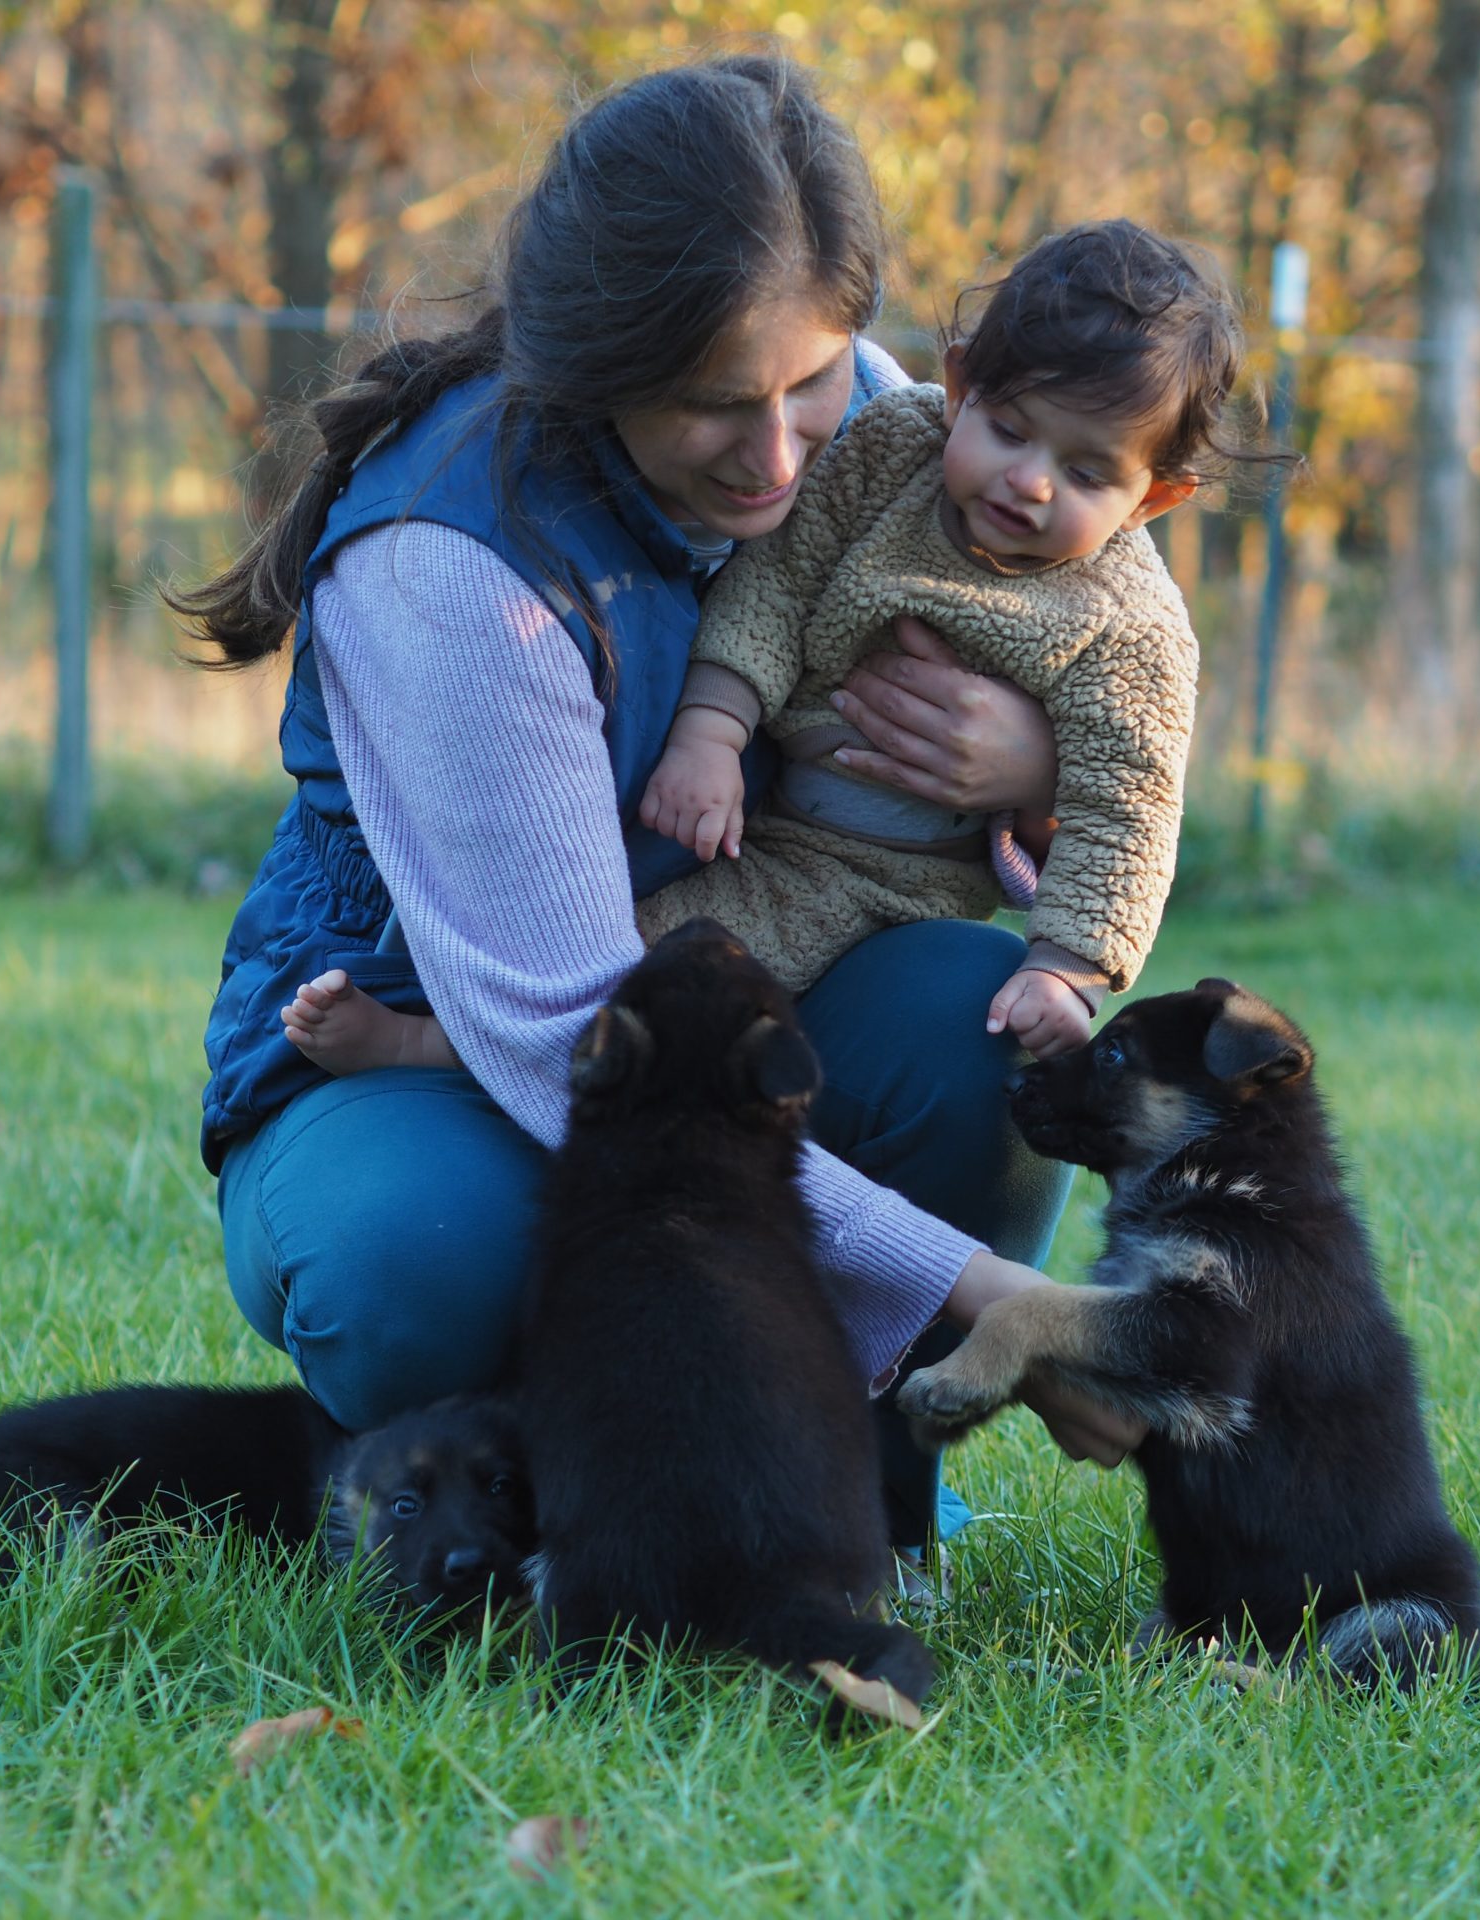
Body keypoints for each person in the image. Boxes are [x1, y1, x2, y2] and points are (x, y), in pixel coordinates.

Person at [168, 54, 1144, 1556]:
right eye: (714, 405)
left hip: (740, 978)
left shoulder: (880, 427)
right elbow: (574, 1041)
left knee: (990, 1031)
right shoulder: (452, 568)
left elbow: (1105, 680)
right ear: (598, 367)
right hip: (431, 1054)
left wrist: (1035, 773)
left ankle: (856, 1491)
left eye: (812, 381)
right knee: (427, 1255)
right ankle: (509, 1499)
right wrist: (988, 1298)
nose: (780, 454)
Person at [291, 220, 1236, 1076]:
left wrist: (1067, 969)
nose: (1028, 482)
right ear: (959, 389)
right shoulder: (890, 448)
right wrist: (712, 733)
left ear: (1154, 497)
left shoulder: (1129, 626)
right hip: (771, 819)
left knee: (689, 976)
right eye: (1009, 431)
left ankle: (428, 1048)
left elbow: (1130, 812)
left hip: (884, 878)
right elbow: (776, 585)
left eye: (1085, 472)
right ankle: (449, 1039)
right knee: (636, 948)